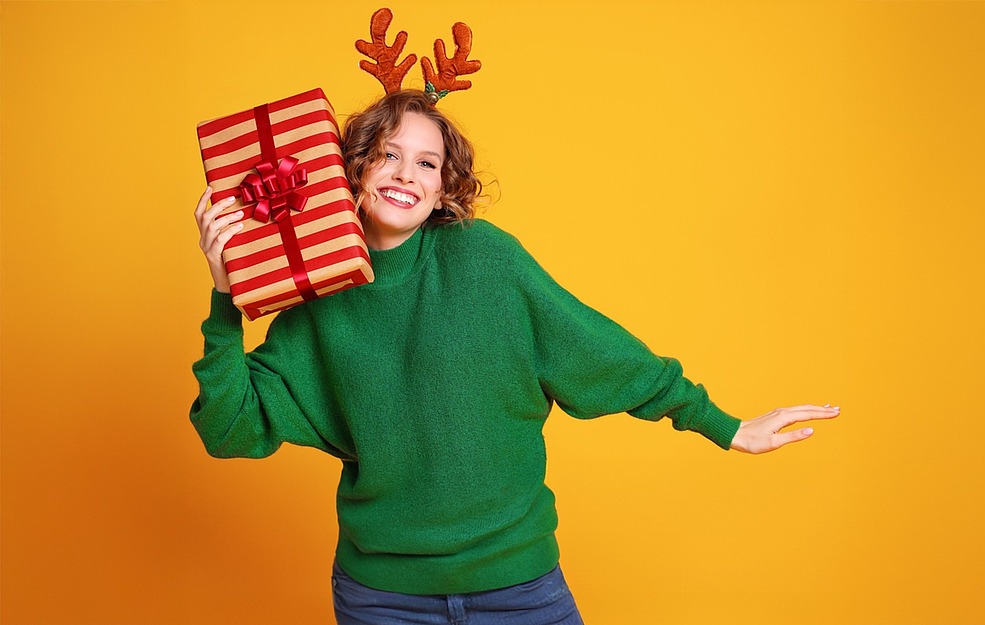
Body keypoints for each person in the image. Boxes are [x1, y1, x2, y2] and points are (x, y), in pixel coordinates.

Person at [191, 89, 840, 625]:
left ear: (446, 186)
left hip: (518, 587)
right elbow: (228, 428)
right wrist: (227, 296)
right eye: (386, 155)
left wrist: (721, 423)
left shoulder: (487, 260)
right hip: (383, 597)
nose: (403, 174)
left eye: (425, 162)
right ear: (352, 170)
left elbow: (604, 354)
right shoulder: (317, 304)